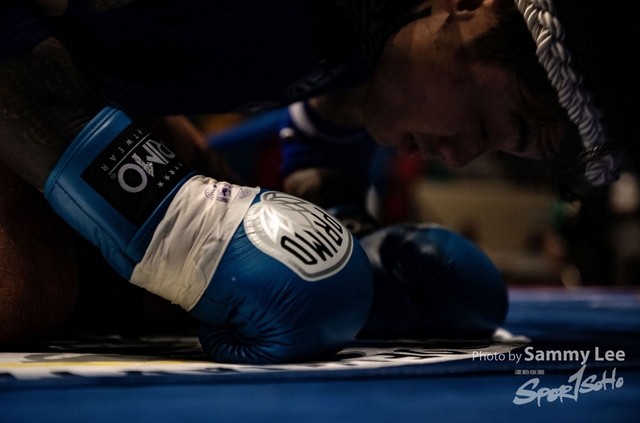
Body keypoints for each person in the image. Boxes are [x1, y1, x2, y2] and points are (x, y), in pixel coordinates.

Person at [0, 0, 636, 351]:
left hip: (75, 89)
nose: (464, 155)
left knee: (261, 269)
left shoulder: (388, 41)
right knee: (30, 287)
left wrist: (348, 242)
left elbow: (336, 114)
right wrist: (178, 223)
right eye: (491, 121)